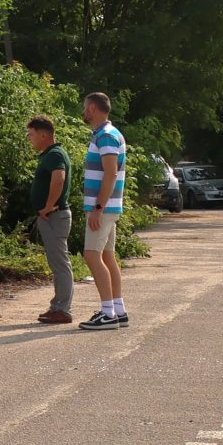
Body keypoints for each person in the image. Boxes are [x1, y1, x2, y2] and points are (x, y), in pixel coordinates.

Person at [80, 91, 129, 329]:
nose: (84, 111)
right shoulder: (110, 134)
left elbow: (110, 173)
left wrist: (98, 207)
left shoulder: (106, 136)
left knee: (91, 255)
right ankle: (118, 310)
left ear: (92, 108)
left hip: (103, 208)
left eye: (85, 107)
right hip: (109, 207)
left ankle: (108, 313)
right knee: (107, 256)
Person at [26, 116, 75, 325]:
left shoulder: (55, 155)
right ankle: (58, 307)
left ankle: (61, 309)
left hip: (55, 216)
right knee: (58, 263)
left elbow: (59, 179)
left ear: (43, 134)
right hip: (52, 216)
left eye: (31, 134)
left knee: (60, 264)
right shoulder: (51, 154)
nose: (30, 139)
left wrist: (48, 205)